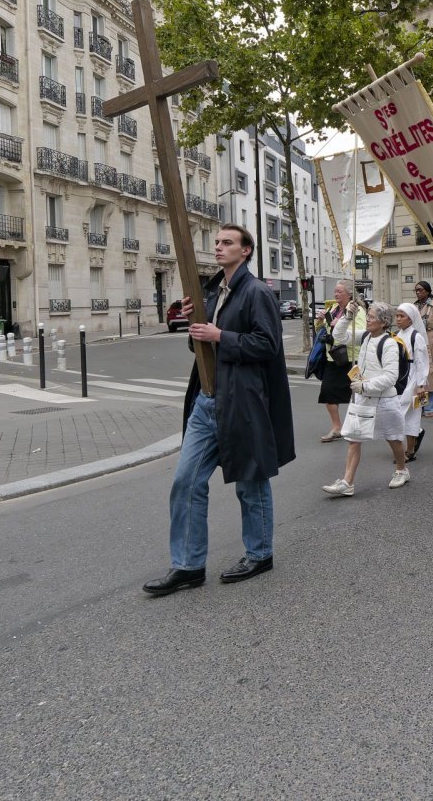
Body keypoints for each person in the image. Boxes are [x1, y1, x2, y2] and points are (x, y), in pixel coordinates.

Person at [143, 224, 294, 596]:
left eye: (228, 243)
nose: (219, 247)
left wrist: (219, 335)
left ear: (246, 251)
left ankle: (260, 554)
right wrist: (199, 327)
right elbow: (201, 351)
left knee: (250, 480)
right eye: (217, 242)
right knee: (186, 481)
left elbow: (268, 344)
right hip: (207, 401)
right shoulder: (214, 292)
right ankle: (188, 566)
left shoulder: (257, 292)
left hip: (242, 402)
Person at [322, 302, 410, 497]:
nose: (368, 319)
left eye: (371, 316)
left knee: (393, 438)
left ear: (383, 321)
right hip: (363, 399)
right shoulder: (365, 336)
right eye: (368, 315)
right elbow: (338, 337)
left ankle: (402, 470)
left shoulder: (389, 344)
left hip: (385, 401)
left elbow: (390, 377)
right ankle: (347, 482)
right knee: (354, 439)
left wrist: (364, 385)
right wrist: (347, 316)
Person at [316, 280, 366, 442]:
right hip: (334, 357)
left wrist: (342, 324)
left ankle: (359, 426)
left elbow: (362, 333)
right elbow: (321, 329)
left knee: (359, 394)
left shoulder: (357, 310)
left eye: (339, 291)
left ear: (349, 293)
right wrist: (319, 320)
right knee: (328, 393)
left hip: (353, 359)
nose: (336, 294)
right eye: (335, 291)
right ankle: (337, 428)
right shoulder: (333, 309)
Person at [395, 302, 430, 461]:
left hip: (413, 379)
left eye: (402, 316)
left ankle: (408, 451)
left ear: (411, 319)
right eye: (397, 316)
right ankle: (407, 449)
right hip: (399, 379)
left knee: (409, 416)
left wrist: (421, 384)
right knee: (400, 415)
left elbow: (422, 362)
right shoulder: (397, 335)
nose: (398, 319)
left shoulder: (416, 337)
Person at [413, 281, 433, 418]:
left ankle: (432, 406)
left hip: (432, 341)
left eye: (420, 290)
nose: (418, 292)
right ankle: (421, 405)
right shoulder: (414, 306)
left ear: (427, 291)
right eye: (416, 290)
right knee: (419, 373)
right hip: (418, 341)